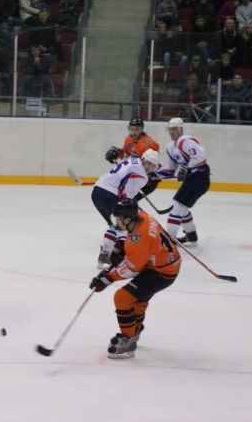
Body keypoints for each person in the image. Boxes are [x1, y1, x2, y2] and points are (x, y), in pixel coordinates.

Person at [89, 198, 181, 359]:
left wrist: (108, 278)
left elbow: (132, 267)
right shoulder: (143, 216)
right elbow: (139, 245)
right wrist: (123, 247)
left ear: (127, 219)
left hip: (162, 271)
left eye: (119, 219)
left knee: (122, 297)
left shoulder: (140, 239)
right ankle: (135, 329)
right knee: (138, 299)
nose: (117, 223)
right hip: (163, 262)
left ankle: (128, 340)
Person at [91, 150, 161, 270]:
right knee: (124, 227)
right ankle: (119, 259)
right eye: (148, 163)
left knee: (114, 225)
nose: (149, 167)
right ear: (143, 159)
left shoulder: (134, 160)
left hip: (97, 192)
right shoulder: (143, 177)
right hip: (110, 195)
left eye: (153, 165)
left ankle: (104, 255)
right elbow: (126, 197)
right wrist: (130, 206)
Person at [158, 118, 210, 246]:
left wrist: (186, 169)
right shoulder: (170, 147)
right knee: (181, 207)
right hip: (192, 178)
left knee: (177, 206)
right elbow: (170, 169)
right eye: (170, 129)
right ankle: (192, 237)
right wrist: (153, 175)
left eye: (174, 129)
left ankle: (168, 241)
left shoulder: (185, 141)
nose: (171, 132)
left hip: (200, 176)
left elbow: (200, 157)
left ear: (181, 129)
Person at [104, 118, 161, 200]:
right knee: (125, 199)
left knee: (129, 200)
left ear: (141, 129)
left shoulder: (148, 142)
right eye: (132, 129)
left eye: (136, 129)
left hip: (149, 177)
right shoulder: (128, 139)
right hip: (136, 174)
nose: (134, 131)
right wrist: (116, 152)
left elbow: (151, 162)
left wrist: (151, 174)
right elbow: (127, 155)